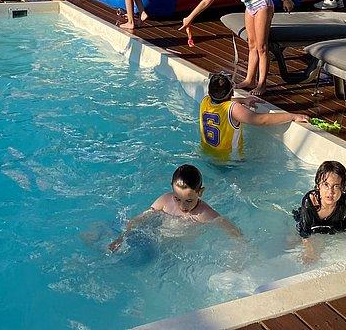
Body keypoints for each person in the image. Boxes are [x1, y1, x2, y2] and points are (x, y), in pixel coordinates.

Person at [181, 0, 294, 96]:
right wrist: (189, 18)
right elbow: (206, 1)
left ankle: (262, 84)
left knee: (262, 47)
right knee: (252, 45)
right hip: (249, 6)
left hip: (262, 4)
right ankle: (250, 80)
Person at [108, 164, 240, 251]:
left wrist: (238, 251)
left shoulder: (204, 214)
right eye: (177, 198)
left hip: (179, 248)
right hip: (156, 239)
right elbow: (142, 217)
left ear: (200, 192)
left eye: (189, 200)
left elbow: (233, 231)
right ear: (171, 187)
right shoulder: (165, 200)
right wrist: (122, 237)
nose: (183, 206)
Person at [199, 72, 310, 159]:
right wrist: (292, 116)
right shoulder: (233, 109)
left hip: (207, 153)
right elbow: (261, 120)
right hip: (229, 161)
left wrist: (243, 100)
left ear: (209, 93)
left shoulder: (205, 100)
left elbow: (222, 104)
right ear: (232, 92)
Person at [292, 161, 346, 263]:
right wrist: (309, 250)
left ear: (343, 188)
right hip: (305, 223)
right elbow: (304, 232)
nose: (330, 192)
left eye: (336, 186)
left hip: (330, 227)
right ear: (318, 185)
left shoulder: (345, 203)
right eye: (326, 185)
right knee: (292, 243)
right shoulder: (309, 202)